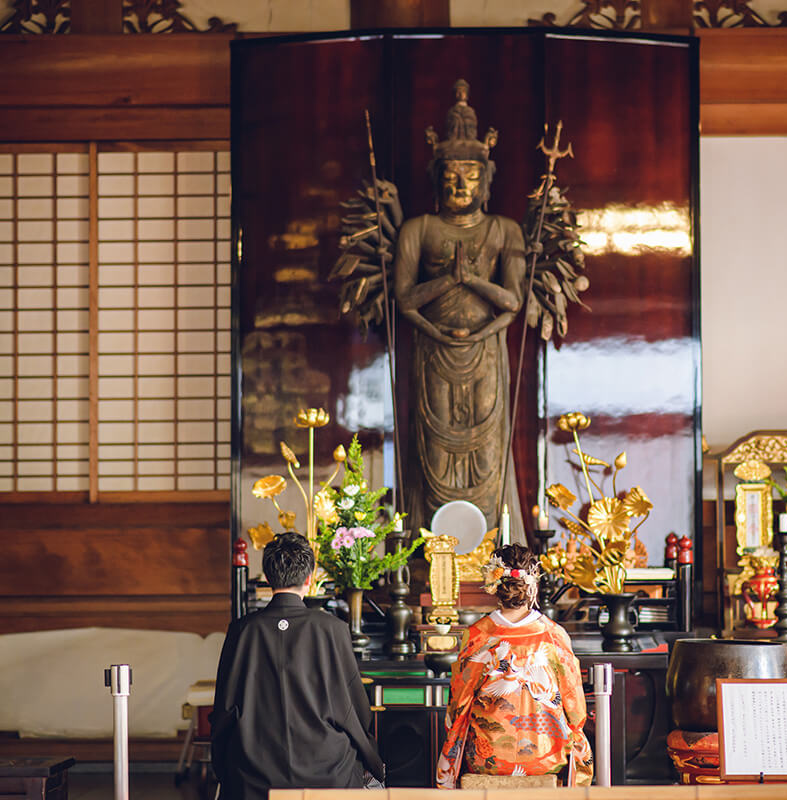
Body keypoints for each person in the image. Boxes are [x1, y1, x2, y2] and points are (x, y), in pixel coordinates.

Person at [394, 80, 526, 535]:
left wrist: (470, 281)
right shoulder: (419, 228)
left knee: (488, 456)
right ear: (437, 177)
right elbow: (405, 300)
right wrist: (447, 286)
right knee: (433, 454)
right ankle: (431, 554)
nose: (460, 183)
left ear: (485, 179)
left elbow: (512, 302)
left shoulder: (504, 229)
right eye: (451, 174)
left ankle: (492, 553)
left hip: (488, 356)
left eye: (470, 175)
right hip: (432, 355)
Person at [210, 533, 386, 798]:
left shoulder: (241, 630)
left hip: (254, 774)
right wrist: (371, 754)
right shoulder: (333, 629)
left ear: (267, 579)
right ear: (309, 579)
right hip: (327, 773)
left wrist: (224, 765)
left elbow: (225, 707)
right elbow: (353, 706)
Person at [436, 545, 592, 788]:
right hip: (547, 757)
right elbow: (575, 706)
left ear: (495, 586)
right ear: (533, 586)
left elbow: (459, 703)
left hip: (487, 758)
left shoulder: (478, 635)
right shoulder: (553, 635)